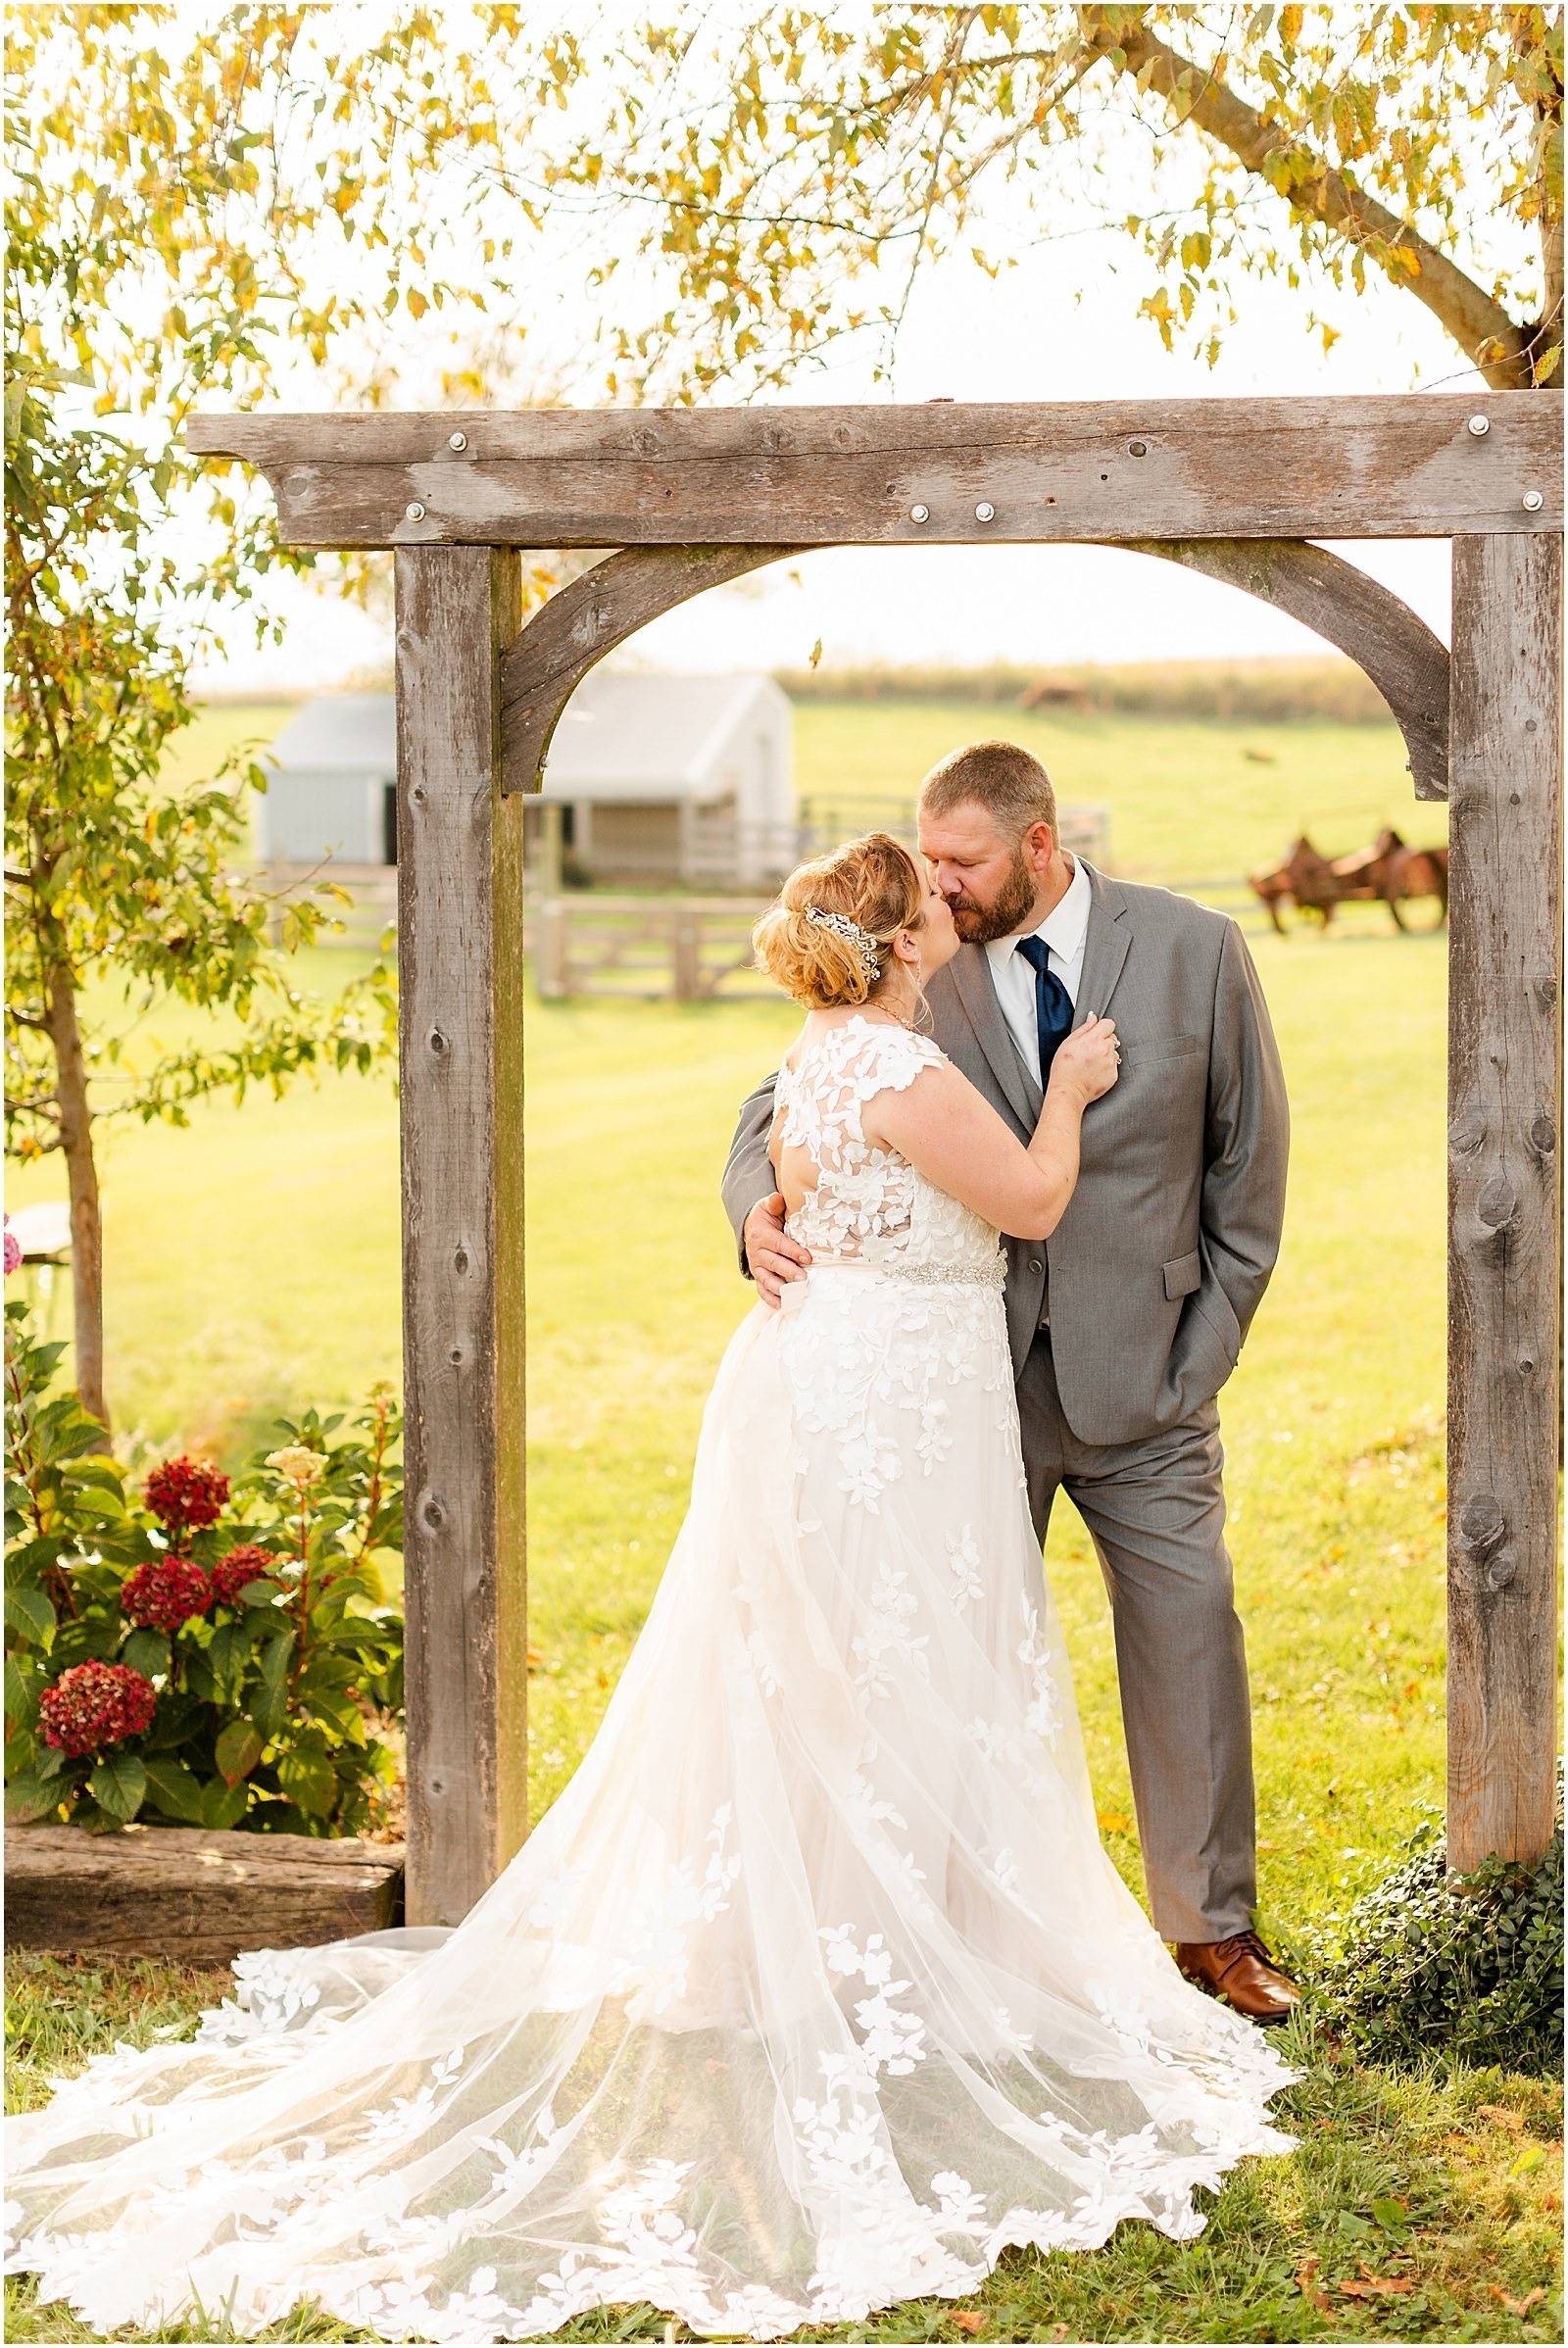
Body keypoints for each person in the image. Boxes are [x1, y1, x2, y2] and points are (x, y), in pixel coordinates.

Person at [6, 832, 1293, 2347]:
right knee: (885, 1666)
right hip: (899, 1397)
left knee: (836, 1671)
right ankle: (890, 1954)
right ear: (893, 944)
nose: (948, 901)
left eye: (962, 872)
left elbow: (887, 1143)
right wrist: (1068, 1097)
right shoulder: (898, 1055)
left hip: (851, 1388)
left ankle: (858, 1936)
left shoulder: (836, 1041)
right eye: (924, 891)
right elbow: (1015, 1201)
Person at [725, 743, 1299, 2025]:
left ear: (1041, 844)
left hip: (1146, 1379)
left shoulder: (1192, 949)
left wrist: (1200, 1354)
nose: (942, 882)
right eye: (929, 861)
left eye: (963, 861)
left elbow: (1246, 1169)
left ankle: (1213, 1935)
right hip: (951, 1391)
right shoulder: (908, 959)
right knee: (926, 1659)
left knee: (1189, 1630)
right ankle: (924, 1931)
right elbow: (782, 1097)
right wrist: (753, 1213)